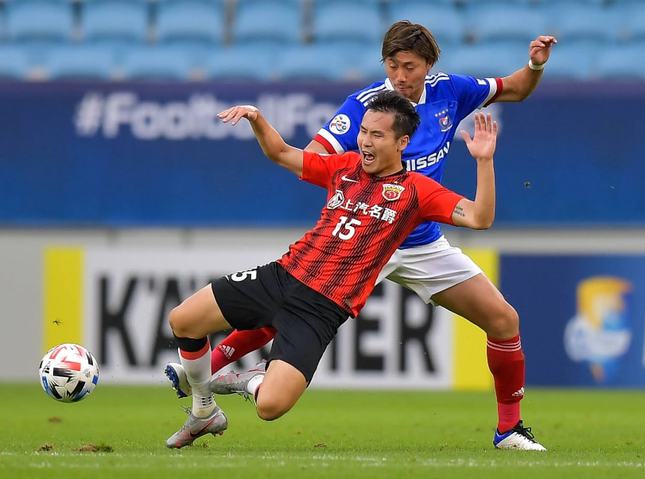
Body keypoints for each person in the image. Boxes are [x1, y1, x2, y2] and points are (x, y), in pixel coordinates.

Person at [166, 21, 555, 450]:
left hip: (421, 238)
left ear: (429, 65)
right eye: (392, 65)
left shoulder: (453, 91)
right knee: (303, 294)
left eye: (409, 66)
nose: (400, 76)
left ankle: (509, 431)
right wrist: (355, 174)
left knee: (503, 320)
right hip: (365, 235)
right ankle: (216, 368)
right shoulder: (365, 106)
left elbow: (516, 89)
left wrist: (534, 66)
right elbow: (308, 158)